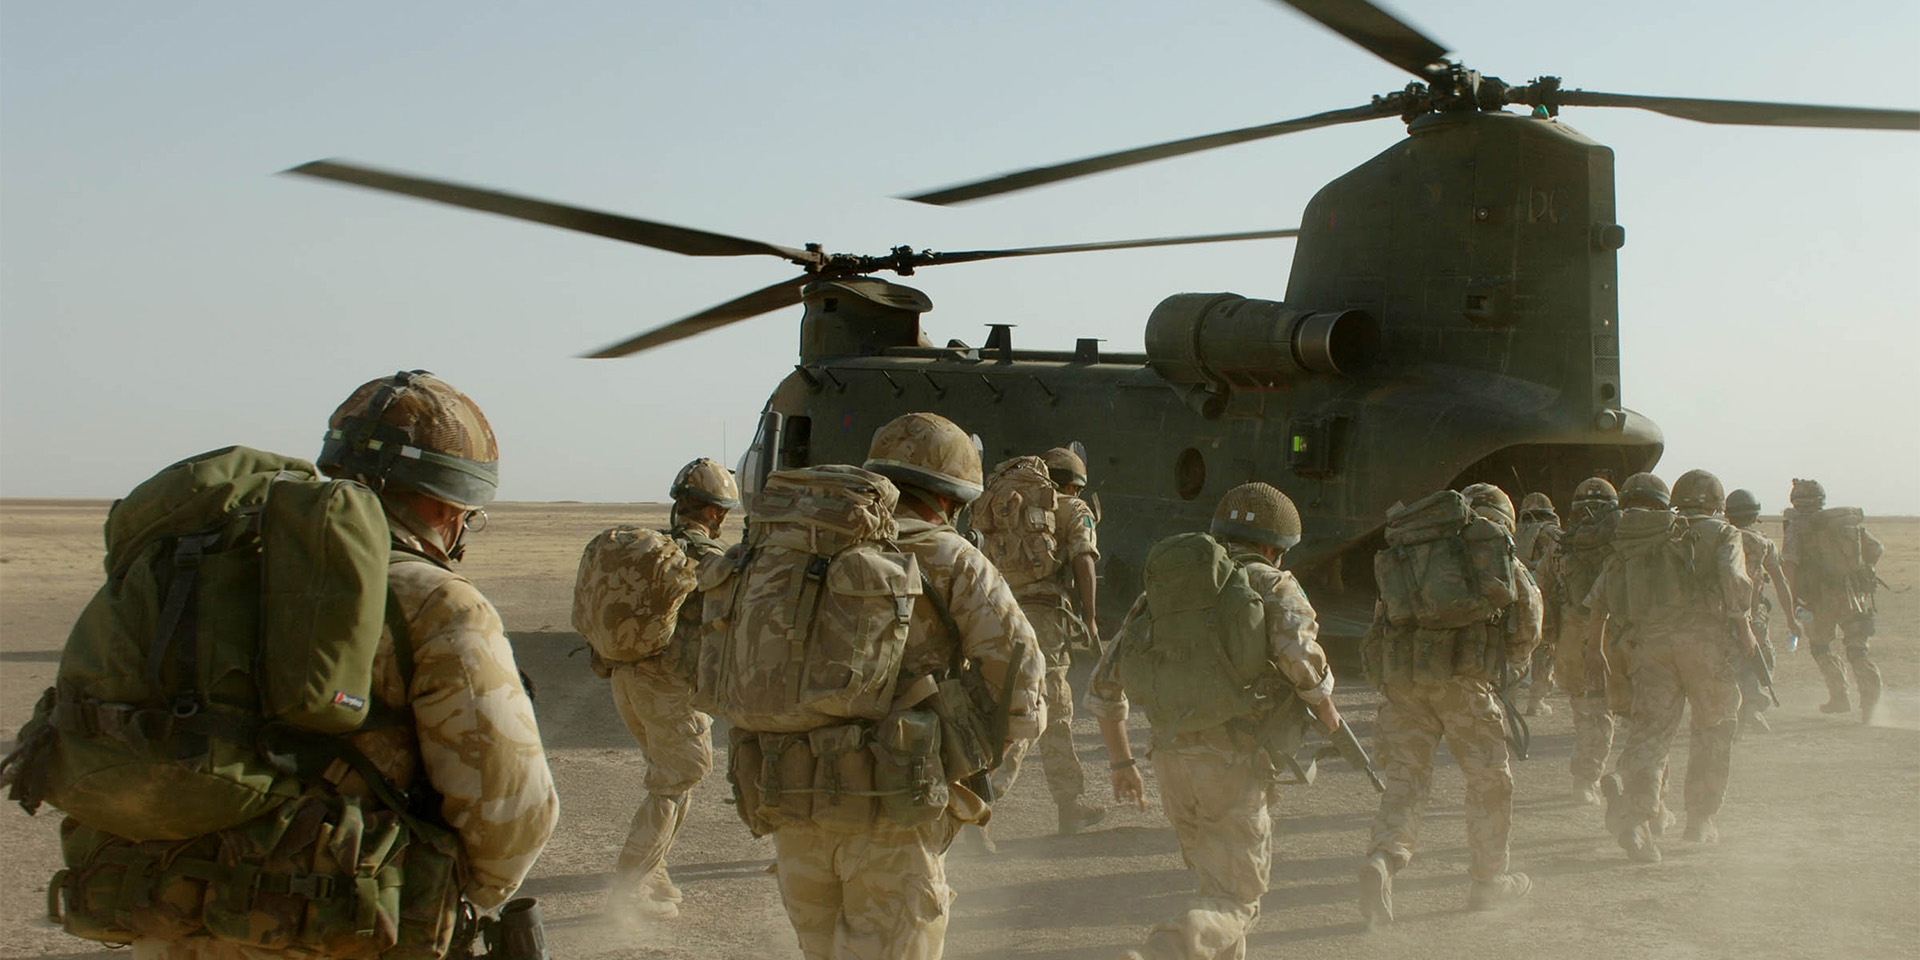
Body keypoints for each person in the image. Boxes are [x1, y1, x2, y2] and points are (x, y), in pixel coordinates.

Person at [147, 371, 561, 960]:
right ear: (442, 503)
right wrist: (440, 895)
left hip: (180, 918)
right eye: (466, 516)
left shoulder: (217, 566)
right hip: (340, 930)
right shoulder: (434, 600)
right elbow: (510, 814)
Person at [728, 412, 1046, 960]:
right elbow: (1021, 678)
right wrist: (979, 771)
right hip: (894, 810)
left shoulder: (798, 547)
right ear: (952, 496)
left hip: (790, 797)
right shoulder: (950, 557)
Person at [1087, 482, 1341, 960]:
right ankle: (1168, 948)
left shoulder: (1165, 589)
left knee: (1216, 883)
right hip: (1230, 761)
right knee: (1237, 898)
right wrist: (1330, 716)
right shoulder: (1272, 583)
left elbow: (1103, 687)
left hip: (1169, 760)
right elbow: (1302, 660)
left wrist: (1123, 764)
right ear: (1274, 547)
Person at [1358, 483, 1542, 924]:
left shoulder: (1412, 556)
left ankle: (1383, 859)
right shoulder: (1499, 559)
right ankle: (1488, 882)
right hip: (1464, 686)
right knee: (1489, 784)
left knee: (1406, 780)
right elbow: (1528, 632)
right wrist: (1502, 669)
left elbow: (1382, 621)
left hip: (1404, 684)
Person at [598, 458, 738, 920]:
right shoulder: (708, 561)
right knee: (678, 780)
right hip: (668, 688)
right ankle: (630, 886)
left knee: (673, 778)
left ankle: (654, 872)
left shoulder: (650, 550)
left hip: (626, 678)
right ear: (716, 514)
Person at [1588, 470, 1751, 862]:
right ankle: (1699, 821)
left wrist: (1599, 650)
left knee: (1652, 733)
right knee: (1714, 727)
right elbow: (1733, 581)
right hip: (1704, 644)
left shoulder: (1643, 535)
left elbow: (1601, 598)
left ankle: (1635, 808)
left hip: (1649, 646)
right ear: (1717, 502)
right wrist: (1744, 627)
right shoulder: (1723, 532)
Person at [987, 445, 1105, 836]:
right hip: (1044, 619)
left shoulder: (1008, 508)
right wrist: (1089, 618)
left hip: (999, 612)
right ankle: (984, 798)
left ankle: (1068, 805)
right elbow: (1084, 560)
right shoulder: (1073, 509)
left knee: (1006, 702)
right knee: (1043, 709)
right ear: (1074, 484)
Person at [1539, 477, 1621, 804]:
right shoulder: (1624, 542)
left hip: (1574, 641)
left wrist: (1548, 634)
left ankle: (1587, 779)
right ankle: (1611, 780)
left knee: (1588, 714)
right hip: (1616, 640)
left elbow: (1539, 590)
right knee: (1626, 717)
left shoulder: (1559, 546)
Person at [1782, 478, 1884, 722]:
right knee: (1858, 651)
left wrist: (1793, 600)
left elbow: (1789, 565)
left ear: (1795, 501)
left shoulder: (1797, 527)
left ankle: (1840, 697)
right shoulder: (1843, 524)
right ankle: (1869, 705)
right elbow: (1877, 549)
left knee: (1821, 648)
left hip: (1817, 601)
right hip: (1852, 598)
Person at [1724, 489, 1795, 735]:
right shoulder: (1763, 543)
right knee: (1762, 658)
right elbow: (1781, 583)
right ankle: (1751, 707)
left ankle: (1739, 709)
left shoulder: (1719, 539)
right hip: (1753, 615)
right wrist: (1791, 619)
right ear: (1755, 514)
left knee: (1729, 664)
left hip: (1717, 615)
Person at [1515, 492, 1562, 717]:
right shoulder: (1552, 533)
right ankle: (1536, 701)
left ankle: (1510, 698)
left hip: (1517, 597)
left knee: (1519, 649)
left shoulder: (1513, 531)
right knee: (1545, 650)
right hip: (1544, 596)